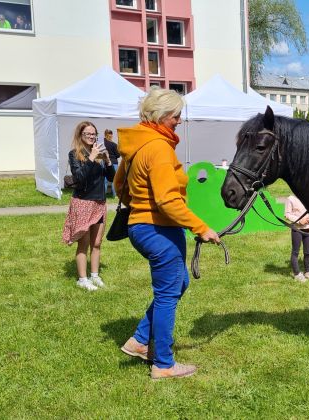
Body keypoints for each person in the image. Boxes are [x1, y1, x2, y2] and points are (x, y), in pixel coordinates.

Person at [115, 88, 220, 380]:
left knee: (178, 283)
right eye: (176, 116)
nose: (179, 122)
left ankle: (139, 341)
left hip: (140, 227)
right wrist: (201, 227)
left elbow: (118, 185)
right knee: (167, 295)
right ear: (161, 116)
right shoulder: (158, 147)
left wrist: (139, 204)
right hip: (159, 229)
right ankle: (163, 363)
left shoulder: (137, 145)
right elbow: (167, 200)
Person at [62, 121, 115, 291]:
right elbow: (79, 178)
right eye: (88, 134)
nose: (92, 137)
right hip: (83, 203)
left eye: (94, 134)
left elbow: (112, 178)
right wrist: (91, 158)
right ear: (80, 135)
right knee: (83, 243)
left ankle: (95, 275)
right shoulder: (74, 154)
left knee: (97, 242)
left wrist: (107, 161)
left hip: (99, 202)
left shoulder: (99, 154)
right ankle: (82, 279)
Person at [285, 195, 309, 282]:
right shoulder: (290, 199)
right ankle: (297, 274)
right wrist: (299, 220)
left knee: (308, 252)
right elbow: (287, 214)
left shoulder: (307, 196)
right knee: (295, 252)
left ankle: (307, 272)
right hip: (297, 229)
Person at [103, 129, 119, 196]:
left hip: (104, 162)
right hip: (114, 162)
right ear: (111, 135)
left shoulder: (102, 143)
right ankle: (114, 195)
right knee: (114, 179)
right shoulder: (114, 144)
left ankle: (103, 194)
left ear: (105, 134)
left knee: (104, 180)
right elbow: (118, 155)